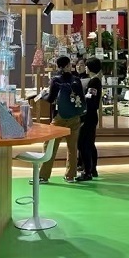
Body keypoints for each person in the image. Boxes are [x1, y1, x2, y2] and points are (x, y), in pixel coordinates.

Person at [39, 56, 85, 184]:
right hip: (74, 118)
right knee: (72, 148)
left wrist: (43, 95)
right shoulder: (76, 80)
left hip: (59, 118)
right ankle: (70, 176)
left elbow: (50, 99)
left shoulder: (56, 80)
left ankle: (43, 176)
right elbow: (81, 99)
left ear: (58, 66)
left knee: (50, 146)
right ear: (68, 66)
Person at [77, 57, 102, 182]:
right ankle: (92, 169)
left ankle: (87, 171)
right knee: (90, 143)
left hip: (89, 116)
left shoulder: (94, 82)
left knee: (83, 143)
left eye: (86, 66)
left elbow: (91, 99)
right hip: (91, 116)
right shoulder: (94, 81)